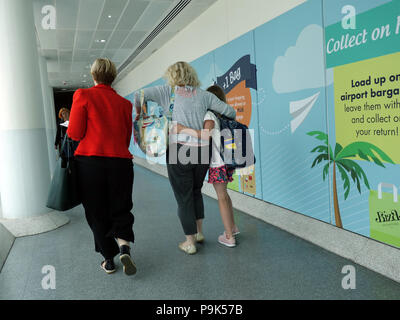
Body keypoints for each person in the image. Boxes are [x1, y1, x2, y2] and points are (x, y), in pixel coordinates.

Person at [134, 61, 236, 255]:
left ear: (172, 76)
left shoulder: (167, 92)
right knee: (196, 191)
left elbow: (139, 95)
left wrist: (140, 113)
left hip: (179, 150)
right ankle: (198, 233)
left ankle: (189, 242)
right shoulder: (205, 95)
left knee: (184, 196)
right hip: (202, 152)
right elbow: (230, 112)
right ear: (192, 75)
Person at [67, 58, 136, 275]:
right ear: (113, 76)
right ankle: (124, 246)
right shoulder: (125, 104)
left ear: (93, 75)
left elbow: (75, 133)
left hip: (90, 164)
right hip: (121, 163)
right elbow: (126, 138)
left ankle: (109, 259)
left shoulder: (83, 95)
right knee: (121, 207)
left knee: (97, 212)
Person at [174, 85, 240, 247]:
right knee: (225, 195)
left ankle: (229, 237)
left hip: (218, 163)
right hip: (227, 160)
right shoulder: (224, 116)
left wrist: (182, 129)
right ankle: (233, 227)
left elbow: (205, 136)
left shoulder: (209, 115)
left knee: (221, 197)